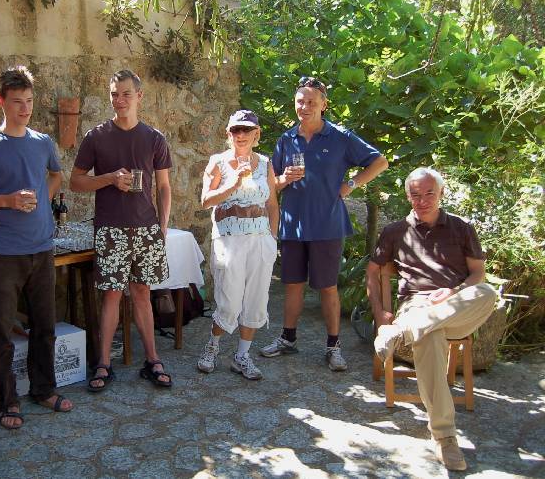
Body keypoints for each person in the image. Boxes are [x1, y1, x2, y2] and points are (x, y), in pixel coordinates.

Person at [0, 66, 72, 430]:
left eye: (30, 101)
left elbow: (56, 174)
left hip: (42, 248)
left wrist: (43, 200)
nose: (25, 109)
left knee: (45, 327)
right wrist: (6, 200)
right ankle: (8, 402)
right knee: (2, 332)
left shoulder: (42, 142)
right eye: (18, 102)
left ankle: (44, 390)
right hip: (3, 253)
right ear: (1, 101)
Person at [368, 167, 497, 471]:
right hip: (416, 305)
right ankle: (444, 436)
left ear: (441, 193)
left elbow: (478, 274)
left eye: (429, 193)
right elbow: (373, 272)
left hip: (457, 304)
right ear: (407, 196)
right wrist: (379, 312)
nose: (422, 200)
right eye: (415, 194)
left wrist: (454, 291)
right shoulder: (395, 231)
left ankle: (401, 332)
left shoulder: (462, 227)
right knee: (429, 337)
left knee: (487, 293)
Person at [261, 76, 388, 371]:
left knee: (328, 287)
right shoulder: (286, 139)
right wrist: (283, 179)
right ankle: (288, 339)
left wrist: (351, 184)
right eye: (300, 101)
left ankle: (333, 347)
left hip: (327, 226)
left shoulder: (340, 137)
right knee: (293, 285)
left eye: (311, 102)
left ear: (323, 105)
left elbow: (380, 162)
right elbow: (271, 185)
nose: (304, 107)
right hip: (293, 225)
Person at [69, 69, 173, 391]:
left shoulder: (154, 138)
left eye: (126, 94)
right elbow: (75, 182)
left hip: (146, 228)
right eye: (114, 94)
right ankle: (103, 364)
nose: (120, 100)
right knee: (111, 295)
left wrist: (162, 226)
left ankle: (152, 360)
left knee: (142, 293)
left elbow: (164, 187)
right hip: (111, 229)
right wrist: (110, 179)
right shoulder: (96, 136)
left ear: (139, 96)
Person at [196, 110, 279, 380]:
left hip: (260, 240)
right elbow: (205, 201)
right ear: (228, 134)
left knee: (256, 299)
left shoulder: (265, 163)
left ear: (256, 134)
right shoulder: (218, 162)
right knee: (229, 301)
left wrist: (272, 238)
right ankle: (213, 346)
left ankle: (242, 355)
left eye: (246, 130)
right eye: (235, 130)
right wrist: (233, 182)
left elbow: (272, 204)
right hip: (229, 239)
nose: (240, 135)